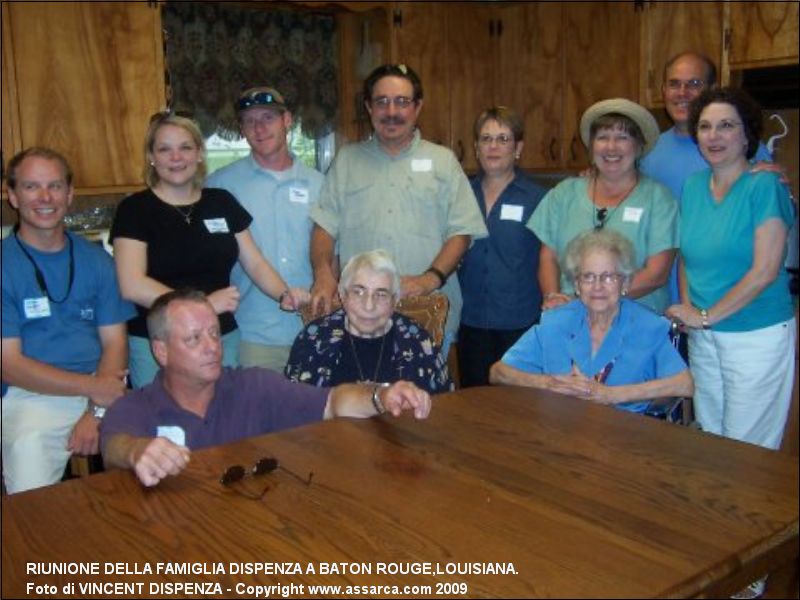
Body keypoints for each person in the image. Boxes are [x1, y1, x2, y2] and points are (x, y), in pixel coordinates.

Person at [100, 289, 432, 487]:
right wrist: (136, 451)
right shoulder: (137, 407)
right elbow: (113, 445)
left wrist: (381, 395)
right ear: (160, 351)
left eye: (215, 334)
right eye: (193, 339)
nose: (212, 347)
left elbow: (333, 402)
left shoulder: (253, 386)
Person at [110, 112, 307, 389]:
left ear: (199, 154)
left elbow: (255, 263)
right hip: (161, 343)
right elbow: (131, 284)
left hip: (220, 336)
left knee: (226, 424)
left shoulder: (220, 202)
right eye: (165, 149)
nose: (176, 158)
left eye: (185, 148)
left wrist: (284, 294)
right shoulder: (135, 210)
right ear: (152, 157)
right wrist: (201, 307)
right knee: (166, 425)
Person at [309, 64, 487, 358]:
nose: (392, 111)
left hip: (426, 310)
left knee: (427, 401)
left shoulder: (443, 162)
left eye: (402, 101)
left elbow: (462, 232)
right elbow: (324, 227)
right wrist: (323, 274)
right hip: (360, 313)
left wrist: (428, 280)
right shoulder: (346, 161)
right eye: (382, 101)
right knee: (363, 398)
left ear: (418, 107)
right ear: (369, 107)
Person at [665, 88, 795, 450]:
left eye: (726, 126)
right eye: (705, 127)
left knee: (746, 447)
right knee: (711, 437)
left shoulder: (765, 185)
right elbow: (687, 258)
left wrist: (705, 316)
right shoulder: (693, 186)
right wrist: (694, 316)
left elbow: (765, 271)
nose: (714, 136)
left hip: (755, 335)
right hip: (706, 336)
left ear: (746, 135)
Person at [1, 148, 135, 493]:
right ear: (12, 196)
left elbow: (115, 343)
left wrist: (97, 412)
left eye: (55, 186)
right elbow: (9, 365)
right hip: (31, 394)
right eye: (31, 187)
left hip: (102, 386)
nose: (45, 197)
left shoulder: (97, 261)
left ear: (70, 194)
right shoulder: (4, 266)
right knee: (30, 495)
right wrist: (94, 391)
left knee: (151, 466)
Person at [490, 229, 693, 414]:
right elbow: (499, 372)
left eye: (608, 277)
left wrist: (611, 395)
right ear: (577, 285)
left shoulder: (646, 326)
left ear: (625, 283)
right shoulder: (556, 322)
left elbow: (684, 384)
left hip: (625, 434)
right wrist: (549, 383)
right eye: (588, 277)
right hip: (559, 428)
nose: (597, 287)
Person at [640, 51, 774, 306]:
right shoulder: (648, 152)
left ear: (712, 89)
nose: (682, 93)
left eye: (694, 84)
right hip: (663, 304)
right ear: (663, 90)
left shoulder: (743, 148)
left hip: (728, 306)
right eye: (674, 84)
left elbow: (773, 213)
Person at [207, 86, 323, 373]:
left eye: (268, 117)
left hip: (313, 329)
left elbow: (331, 258)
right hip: (250, 335)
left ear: (287, 120)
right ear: (242, 129)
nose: (259, 128)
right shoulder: (219, 187)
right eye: (249, 120)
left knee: (318, 417)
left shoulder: (321, 185)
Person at [528, 98, 678, 316]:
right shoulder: (563, 194)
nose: (611, 147)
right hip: (570, 319)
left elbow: (656, 274)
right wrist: (553, 298)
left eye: (622, 138)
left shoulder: (659, 199)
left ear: (639, 146)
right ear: (591, 146)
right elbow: (548, 257)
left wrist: (587, 299)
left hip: (636, 324)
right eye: (602, 138)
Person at [456, 107, 546, 387]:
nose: (493, 146)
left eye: (503, 139)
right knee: (474, 406)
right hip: (469, 321)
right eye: (486, 139)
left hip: (520, 324)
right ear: (475, 147)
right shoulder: (459, 194)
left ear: (518, 147)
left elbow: (550, 258)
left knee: (518, 410)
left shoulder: (539, 198)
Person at [286, 250, 451, 393]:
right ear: (343, 296)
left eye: (381, 294)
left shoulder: (419, 343)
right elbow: (296, 408)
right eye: (358, 292)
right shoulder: (314, 339)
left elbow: (443, 407)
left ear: (394, 301)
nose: (369, 306)